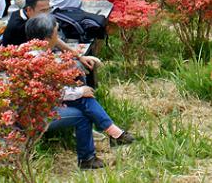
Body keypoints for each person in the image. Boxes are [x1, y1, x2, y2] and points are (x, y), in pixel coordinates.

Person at [26, 14, 135, 169]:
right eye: (56, 33)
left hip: (46, 102)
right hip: (38, 113)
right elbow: (51, 92)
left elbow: (53, 88)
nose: (58, 37)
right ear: (46, 38)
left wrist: (78, 59)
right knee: (82, 114)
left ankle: (110, 137)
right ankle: (91, 154)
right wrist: (79, 91)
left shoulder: (34, 50)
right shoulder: (36, 61)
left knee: (81, 92)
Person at [0, 0, 100, 71]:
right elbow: (54, 40)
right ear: (29, 10)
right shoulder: (21, 26)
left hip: (36, 53)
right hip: (19, 63)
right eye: (43, 11)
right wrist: (78, 57)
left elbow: (53, 38)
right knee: (76, 67)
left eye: (48, 9)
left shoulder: (30, 16)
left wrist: (79, 56)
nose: (46, 14)